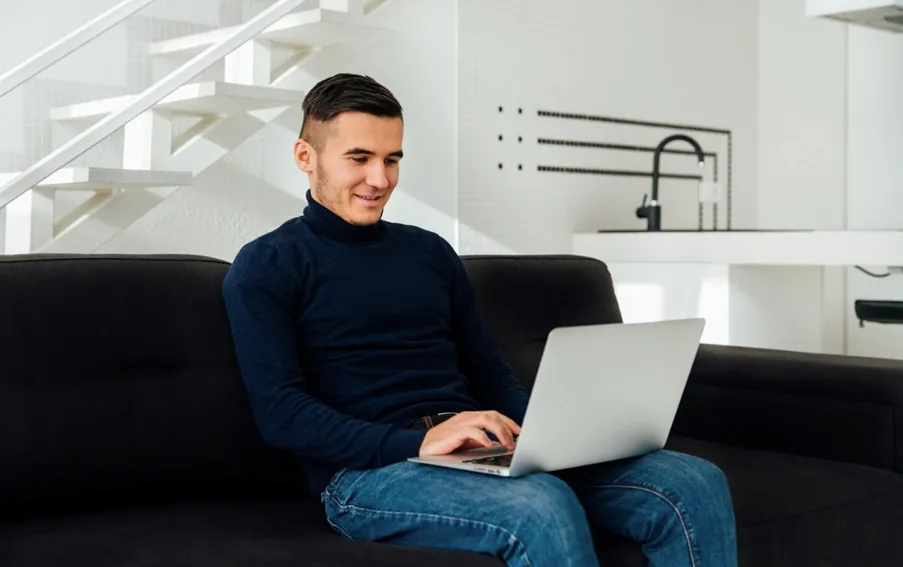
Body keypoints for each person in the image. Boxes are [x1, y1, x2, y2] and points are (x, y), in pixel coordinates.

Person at [221, 72, 738, 567]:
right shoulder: (267, 265)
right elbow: (282, 413)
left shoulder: (430, 253)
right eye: (359, 158)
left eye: (392, 160)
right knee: (540, 504)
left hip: (476, 449)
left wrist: (543, 437)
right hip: (368, 473)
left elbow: (488, 369)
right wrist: (419, 443)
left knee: (694, 482)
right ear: (305, 156)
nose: (379, 180)